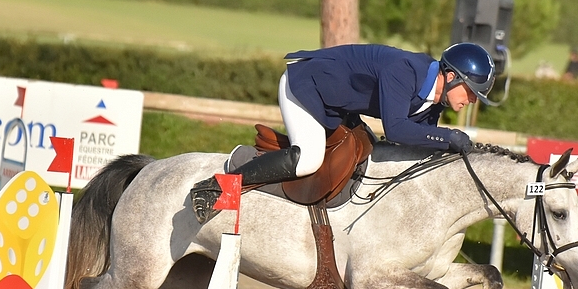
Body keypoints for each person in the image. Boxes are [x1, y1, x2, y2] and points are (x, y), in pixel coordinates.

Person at [190, 42, 497, 224]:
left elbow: (414, 143)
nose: (471, 100)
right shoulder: (405, 70)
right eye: (471, 92)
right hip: (306, 88)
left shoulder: (434, 101)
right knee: (307, 160)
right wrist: (449, 139)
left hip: (339, 108)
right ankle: (218, 187)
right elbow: (397, 129)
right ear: (452, 76)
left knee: (368, 153)